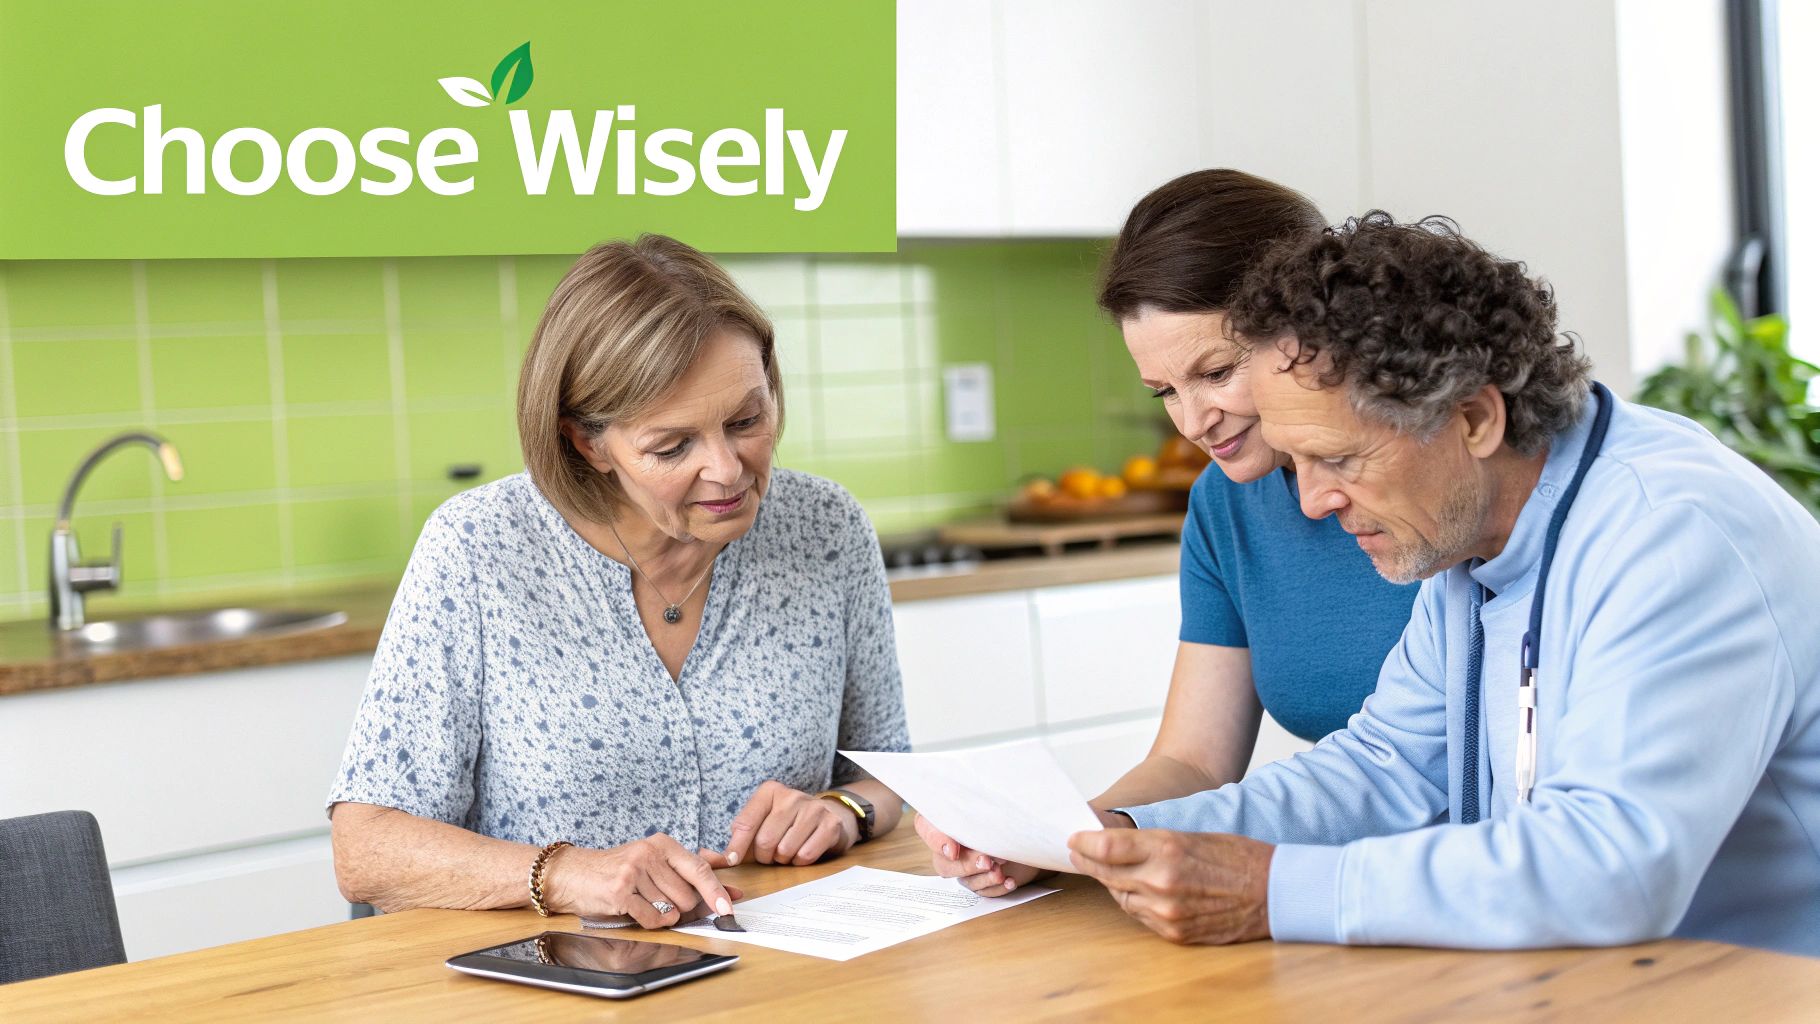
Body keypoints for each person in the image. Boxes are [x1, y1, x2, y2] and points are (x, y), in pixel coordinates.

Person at [1066, 212, 1820, 955]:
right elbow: (1386, 765)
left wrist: (1272, 890)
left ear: (1473, 418)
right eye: (1299, 462)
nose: (1313, 502)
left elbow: (1612, 867)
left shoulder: (1672, 537)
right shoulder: (1469, 535)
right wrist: (1125, 837)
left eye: (1340, 459)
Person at [327, 234, 908, 928]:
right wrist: (568, 875)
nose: (727, 469)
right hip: (547, 986)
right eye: (672, 446)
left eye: (746, 420)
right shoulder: (478, 548)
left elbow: (887, 774)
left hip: (777, 973)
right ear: (588, 442)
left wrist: (844, 811)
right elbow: (365, 849)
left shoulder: (827, 528)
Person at [919, 170, 1418, 895]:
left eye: (1215, 372)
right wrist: (1080, 837)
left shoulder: (1435, 487)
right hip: (1335, 873)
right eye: (1164, 392)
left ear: (1312, 327)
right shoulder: (1225, 504)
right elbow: (1193, 762)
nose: (1191, 422)